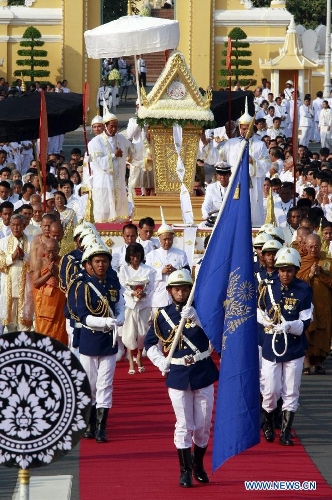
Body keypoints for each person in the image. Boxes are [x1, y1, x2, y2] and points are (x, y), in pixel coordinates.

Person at [144, 269, 219, 487]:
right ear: (169, 291)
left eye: (185, 288)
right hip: (178, 374)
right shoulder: (162, 316)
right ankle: (185, 471)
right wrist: (159, 360)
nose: (181, 292)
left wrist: (198, 320)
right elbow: (150, 344)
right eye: (177, 289)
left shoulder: (203, 312)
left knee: (204, 425)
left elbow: (217, 336)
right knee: (184, 424)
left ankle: (198, 464)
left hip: (202, 370)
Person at [67, 241, 123, 443]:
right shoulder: (83, 286)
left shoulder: (112, 282)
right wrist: (105, 321)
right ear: (88, 264)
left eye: (105, 261)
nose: (102, 265)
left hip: (109, 340)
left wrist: (120, 316)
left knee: (105, 384)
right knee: (90, 385)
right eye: (97, 261)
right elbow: (83, 317)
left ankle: (101, 427)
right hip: (90, 339)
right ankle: (89, 424)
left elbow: (120, 303)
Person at [257, 247, 313, 446]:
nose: (285, 274)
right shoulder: (267, 287)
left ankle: (286, 432)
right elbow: (258, 311)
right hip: (271, 345)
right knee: (271, 389)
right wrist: (267, 322)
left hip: (294, 346)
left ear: (296, 270)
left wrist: (290, 326)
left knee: (291, 390)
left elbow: (307, 320)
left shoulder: (304, 290)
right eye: (281, 270)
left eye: (289, 270)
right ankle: (269, 424)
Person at [221, 100, 270, 226]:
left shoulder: (260, 145)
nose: (245, 131)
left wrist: (253, 161)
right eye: (243, 129)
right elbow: (218, 157)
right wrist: (205, 142)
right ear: (239, 128)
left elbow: (266, 164)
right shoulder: (231, 144)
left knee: (253, 212)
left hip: (252, 185)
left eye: (248, 128)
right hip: (234, 184)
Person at [296, 234, 332, 374]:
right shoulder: (301, 263)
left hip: (324, 307)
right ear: (305, 246)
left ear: (320, 245)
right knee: (306, 331)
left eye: (316, 246)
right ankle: (306, 362)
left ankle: (317, 363)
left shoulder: (327, 262)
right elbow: (296, 283)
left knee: (322, 333)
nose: (313, 249)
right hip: (306, 306)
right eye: (310, 246)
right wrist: (310, 275)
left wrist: (320, 275)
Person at [88, 110, 132, 223]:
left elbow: (132, 150)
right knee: (103, 212)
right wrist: (114, 155)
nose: (114, 129)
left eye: (116, 126)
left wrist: (145, 146)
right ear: (105, 126)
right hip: (103, 184)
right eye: (112, 126)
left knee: (118, 214)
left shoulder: (121, 139)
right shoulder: (95, 142)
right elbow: (100, 163)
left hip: (118, 183)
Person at [119, 243, 155, 374]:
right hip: (129, 305)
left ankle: (139, 357)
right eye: (133, 256)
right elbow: (122, 286)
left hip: (144, 305)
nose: (135, 259)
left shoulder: (148, 270)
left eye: (138, 256)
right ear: (129, 256)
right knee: (129, 333)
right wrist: (132, 293)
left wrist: (143, 293)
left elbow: (152, 287)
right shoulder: (123, 269)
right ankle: (130, 362)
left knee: (142, 333)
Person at [146, 220, 190, 310]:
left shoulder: (181, 254)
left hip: (177, 298)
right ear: (159, 239)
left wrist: (176, 271)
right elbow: (147, 275)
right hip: (157, 298)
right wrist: (161, 272)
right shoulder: (151, 255)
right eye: (164, 239)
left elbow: (188, 273)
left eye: (169, 239)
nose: (167, 242)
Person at [0, 214, 34, 332]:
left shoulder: (32, 241)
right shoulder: (3, 243)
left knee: (24, 327)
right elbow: (0, 264)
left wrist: (24, 256)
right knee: (10, 326)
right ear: (9, 225)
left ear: (24, 226)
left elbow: (36, 264)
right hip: (8, 290)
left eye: (18, 225)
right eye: (13, 225)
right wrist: (12, 257)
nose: (16, 228)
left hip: (26, 290)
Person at [34, 238, 67, 345]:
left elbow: (67, 284)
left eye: (54, 251)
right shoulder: (40, 262)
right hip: (44, 303)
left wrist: (57, 273)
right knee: (44, 333)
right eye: (48, 251)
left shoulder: (63, 262)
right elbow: (35, 283)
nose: (51, 254)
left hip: (59, 303)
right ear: (44, 250)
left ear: (59, 250)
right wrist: (49, 273)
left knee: (59, 332)